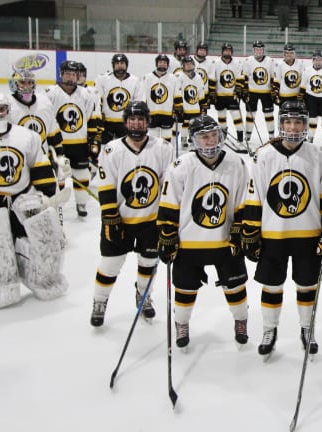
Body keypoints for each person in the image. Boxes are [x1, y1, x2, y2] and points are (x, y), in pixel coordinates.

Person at [241, 100, 322, 359]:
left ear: (305, 124)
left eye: (298, 122)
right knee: (272, 286)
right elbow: (255, 197)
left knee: (307, 285)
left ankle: (307, 329)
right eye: (287, 121)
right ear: (280, 123)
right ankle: (269, 330)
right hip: (274, 234)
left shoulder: (320, 156)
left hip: (308, 234)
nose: (293, 127)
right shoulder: (264, 156)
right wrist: (250, 232)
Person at [157, 115, 251, 349]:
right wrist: (167, 235)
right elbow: (169, 203)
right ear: (194, 140)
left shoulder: (236, 163)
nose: (209, 142)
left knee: (236, 285)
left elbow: (244, 201)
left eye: (213, 136)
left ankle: (241, 320)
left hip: (225, 240)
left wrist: (239, 229)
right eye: (203, 137)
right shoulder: (181, 166)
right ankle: (182, 323)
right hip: (189, 242)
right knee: (185, 287)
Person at [90, 101, 173, 327]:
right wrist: (109, 215)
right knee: (109, 265)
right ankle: (99, 301)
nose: (136, 123)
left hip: (150, 222)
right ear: (126, 122)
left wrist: (168, 219)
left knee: (148, 263)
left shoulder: (163, 148)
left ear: (147, 121)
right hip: (120, 221)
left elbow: (168, 186)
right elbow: (105, 185)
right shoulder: (111, 149)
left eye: (141, 119)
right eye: (132, 119)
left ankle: (143, 296)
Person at [0, 90, 64, 309]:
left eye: (2, 109)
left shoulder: (26, 136)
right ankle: (1, 286)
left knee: (42, 239)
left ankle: (42, 279)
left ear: (8, 111)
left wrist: (48, 194)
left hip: (24, 196)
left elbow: (38, 164)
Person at [45, 60, 102, 217]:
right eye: (67, 73)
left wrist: (93, 141)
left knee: (83, 176)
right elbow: (46, 120)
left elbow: (93, 118)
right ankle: (58, 207)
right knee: (59, 178)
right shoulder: (51, 93)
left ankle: (81, 204)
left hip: (80, 144)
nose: (71, 77)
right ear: (61, 74)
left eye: (74, 74)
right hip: (59, 145)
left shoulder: (86, 95)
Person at [8, 69, 66, 180]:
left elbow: (54, 134)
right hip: (17, 161)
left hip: (42, 160)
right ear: (13, 84)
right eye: (22, 82)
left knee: (51, 191)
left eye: (30, 83)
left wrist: (61, 160)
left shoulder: (44, 103)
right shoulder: (7, 106)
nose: (27, 86)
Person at [94, 54, 145, 145]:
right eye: (117, 63)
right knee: (105, 149)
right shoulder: (103, 79)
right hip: (107, 122)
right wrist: (98, 116)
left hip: (125, 122)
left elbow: (138, 102)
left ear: (126, 65)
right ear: (113, 65)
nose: (119, 65)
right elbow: (97, 100)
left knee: (126, 149)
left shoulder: (135, 80)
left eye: (122, 63)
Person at [239, 41, 275, 149]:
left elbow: (273, 77)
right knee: (251, 114)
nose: (259, 51)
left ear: (263, 50)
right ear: (253, 50)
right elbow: (244, 77)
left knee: (269, 114)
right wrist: (244, 91)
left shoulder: (270, 61)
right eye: (256, 49)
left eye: (260, 49)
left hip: (266, 92)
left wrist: (274, 91)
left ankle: (271, 136)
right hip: (252, 92)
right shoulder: (248, 61)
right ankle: (248, 135)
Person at [208, 43, 244, 144]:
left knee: (236, 116)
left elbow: (239, 78)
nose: (227, 52)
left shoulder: (237, 63)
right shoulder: (215, 62)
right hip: (220, 95)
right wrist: (212, 93)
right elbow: (212, 78)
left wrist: (239, 90)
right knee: (221, 116)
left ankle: (240, 136)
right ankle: (223, 134)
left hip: (232, 95)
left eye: (229, 50)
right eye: (225, 50)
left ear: (231, 52)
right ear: (222, 51)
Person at [173, 56, 208, 149]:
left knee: (194, 123)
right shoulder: (179, 76)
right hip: (184, 105)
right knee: (184, 123)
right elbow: (177, 91)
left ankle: (192, 138)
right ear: (183, 66)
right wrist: (178, 105)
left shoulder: (198, 77)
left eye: (190, 64)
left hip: (195, 105)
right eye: (186, 64)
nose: (188, 66)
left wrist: (203, 105)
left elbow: (200, 92)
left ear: (193, 65)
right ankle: (183, 139)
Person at [142, 54, 178, 143]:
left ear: (167, 65)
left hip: (167, 113)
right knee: (153, 140)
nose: (162, 64)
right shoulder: (148, 77)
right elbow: (143, 95)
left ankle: (166, 155)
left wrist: (178, 108)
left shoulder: (173, 78)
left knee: (167, 140)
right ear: (156, 64)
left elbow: (177, 94)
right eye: (160, 62)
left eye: (165, 62)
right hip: (152, 113)